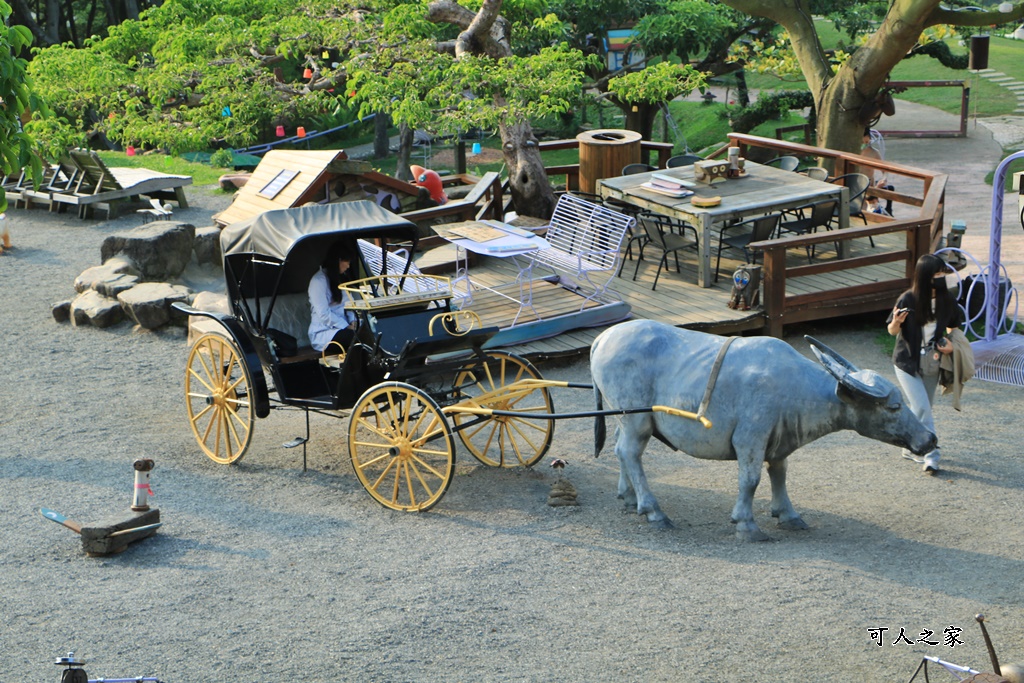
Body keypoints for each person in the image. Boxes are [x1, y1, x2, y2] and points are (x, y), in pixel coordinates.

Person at [886, 254, 963, 474]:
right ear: (925, 276)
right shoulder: (908, 300)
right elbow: (892, 331)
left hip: (932, 361)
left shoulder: (946, 299)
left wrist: (950, 345)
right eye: (936, 274)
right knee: (922, 408)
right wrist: (896, 323)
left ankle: (909, 446)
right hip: (906, 363)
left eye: (942, 273)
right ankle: (932, 455)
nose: (941, 277)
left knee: (923, 409)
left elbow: (954, 327)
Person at [308, 243, 359, 353]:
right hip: (324, 333)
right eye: (347, 262)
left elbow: (349, 304)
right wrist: (346, 326)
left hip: (343, 328)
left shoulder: (338, 278)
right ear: (339, 260)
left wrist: (354, 321)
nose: (348, 266)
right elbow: (323, 314)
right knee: (356, 338)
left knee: (368, 332)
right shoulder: (318, 281)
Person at [860, 127, 894, 216]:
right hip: (858, 186)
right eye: (862, 143)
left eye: (867, 143)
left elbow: (885, 171)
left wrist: (883, 180)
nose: (865, 145)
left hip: (870, 186)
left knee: (890, 189)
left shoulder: (874, 153)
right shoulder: (853, 152)